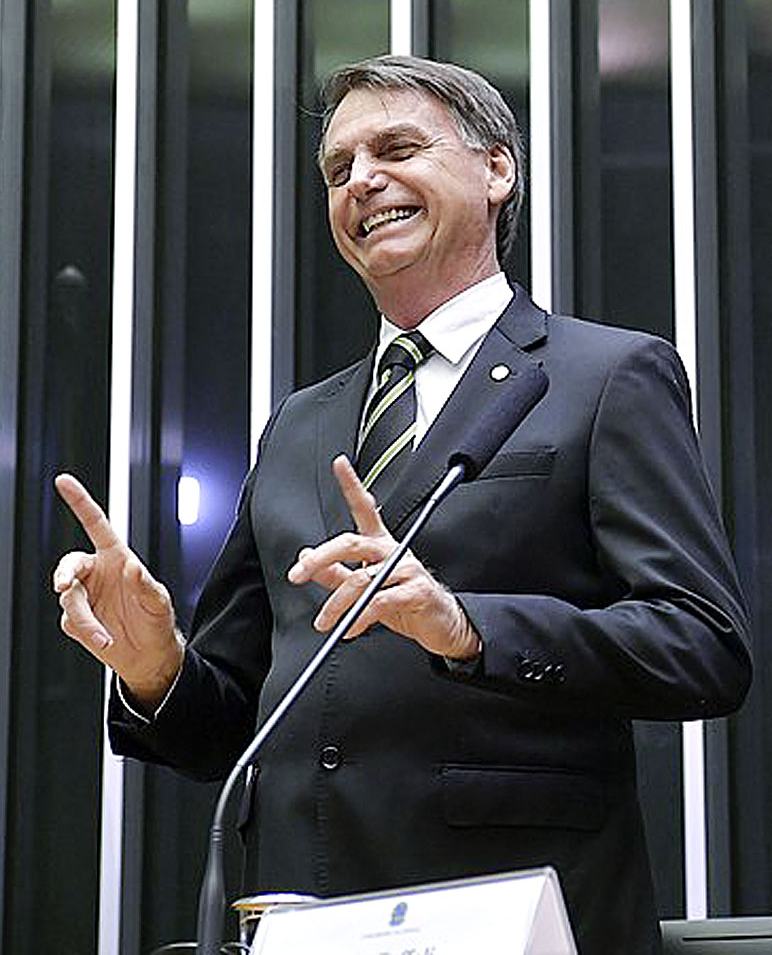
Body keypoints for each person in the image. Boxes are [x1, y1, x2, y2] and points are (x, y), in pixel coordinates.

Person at [53, 55, 752, 954]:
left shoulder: (606, 376)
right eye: (338, 169)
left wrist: (464, 626)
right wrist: (157, 669)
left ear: (496, 171)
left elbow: (702, 646)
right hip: (301, 915)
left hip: (514, 911)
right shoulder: (300, 424)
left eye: (397, 149)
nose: (362, 181)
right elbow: (230, 729)